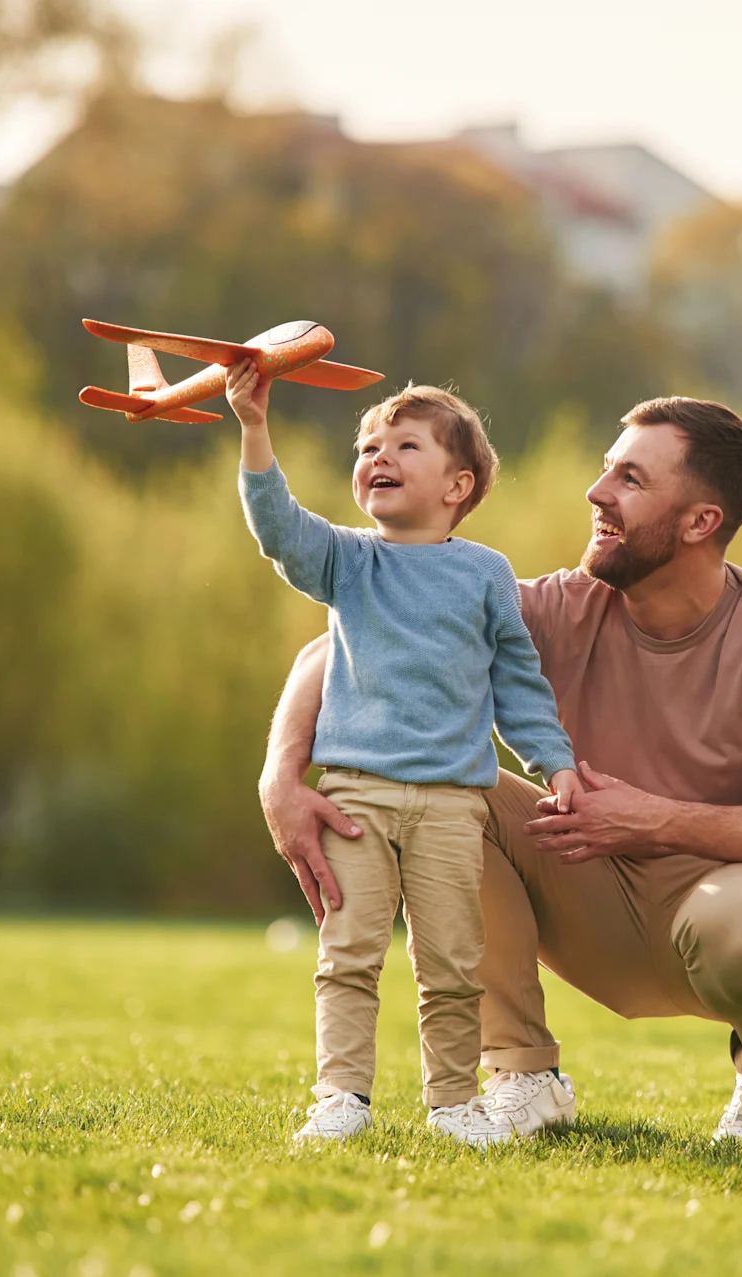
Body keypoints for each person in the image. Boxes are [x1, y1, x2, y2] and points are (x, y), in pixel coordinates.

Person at [262, 396, 742, 1144]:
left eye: (631, 480)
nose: (596, 491)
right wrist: (282, 777)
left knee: (738, 929)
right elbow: (341, 648)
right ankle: (523, 1072)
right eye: (606, 469)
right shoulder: (558, 607)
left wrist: (655, 817)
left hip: (732, 908)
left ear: (700, 522)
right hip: (592, 887)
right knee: (453, 796)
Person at [229, 360, 580, 1147]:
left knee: (453, 965)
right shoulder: (350, 562)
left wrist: (553, 762)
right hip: (355, 798)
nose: (376, 458)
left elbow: (519, 686)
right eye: (367, 447)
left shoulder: (485, 575)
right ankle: (341, 1098)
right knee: (348, 954)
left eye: (404, 445)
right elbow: (278, 529)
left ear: (458, 486)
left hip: (454, 806)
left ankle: (454, 1103)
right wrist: (254, 427)